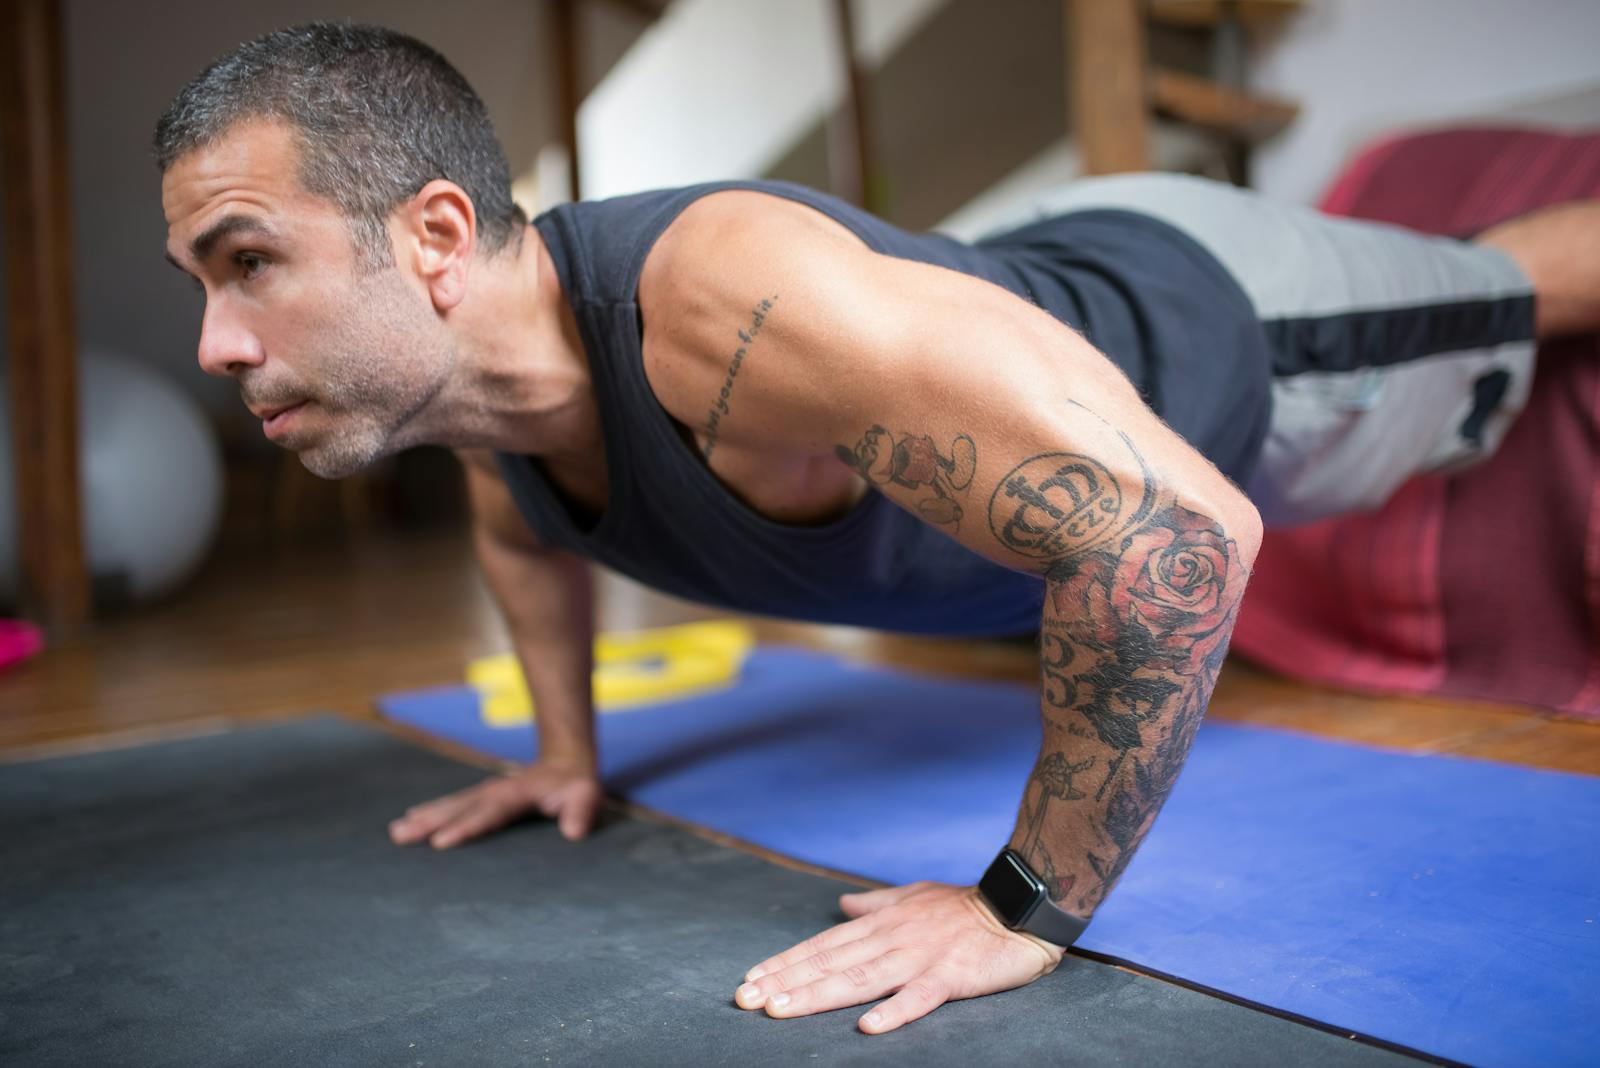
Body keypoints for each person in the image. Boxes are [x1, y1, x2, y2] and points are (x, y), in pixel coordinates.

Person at [155, 23, 1598, 1036]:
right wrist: (562, 755)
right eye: (202, 284)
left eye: (251, 262)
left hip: (1236, 326)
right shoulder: (484, 415)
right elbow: (529, 545)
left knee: (1516, 291)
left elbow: (1180, 535)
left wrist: (1019, 908)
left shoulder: (721, 308)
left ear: (435, 237)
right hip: (1052, 267)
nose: (216, 343)